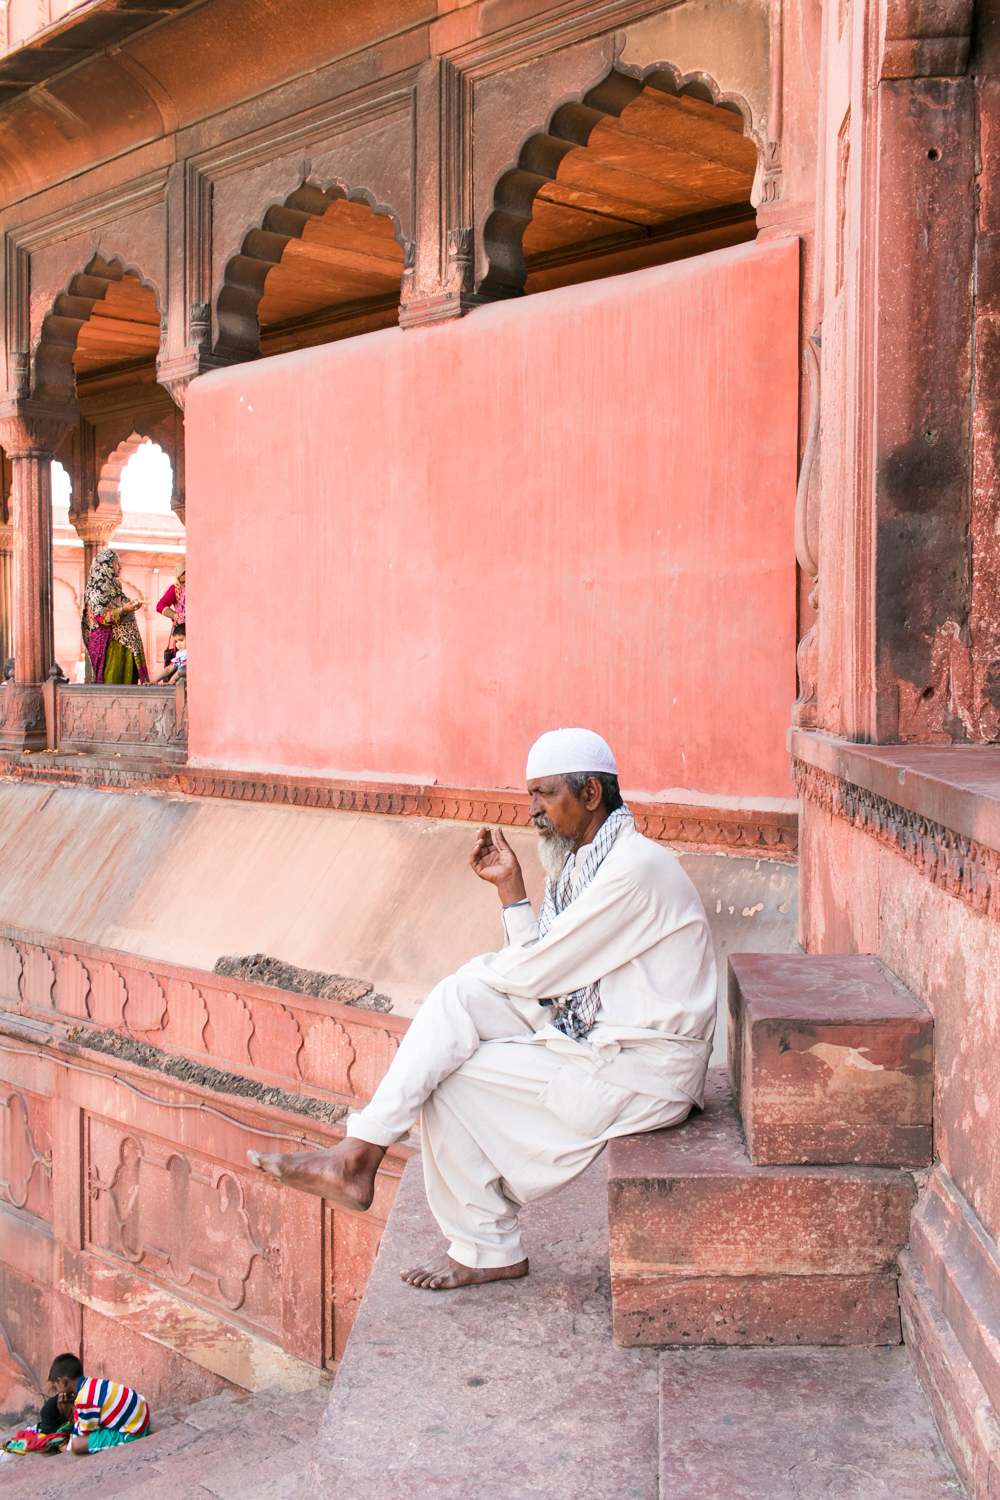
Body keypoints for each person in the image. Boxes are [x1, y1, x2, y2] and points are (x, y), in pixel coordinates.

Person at [250, 727, 716, 1290]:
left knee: (448, 1069)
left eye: (546, 795)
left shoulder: (633, 870)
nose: (533, 812)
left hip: (642, 1069)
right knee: (457, 1002)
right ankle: (361, 1153)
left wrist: (481, 970)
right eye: (531, 797)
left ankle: (476, 1240)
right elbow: (547, 972)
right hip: (596, 1032)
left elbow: (541, 973)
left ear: (591, 794)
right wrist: (512, 893)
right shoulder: (588, 864)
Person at [82, 549, 150, 684]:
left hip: (121, 642)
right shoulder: (100, 587)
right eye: (116, 564)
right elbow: (99, 617)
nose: (120, 568)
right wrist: (124, 608)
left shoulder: (112, 586)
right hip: (111, 641)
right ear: (106, 565)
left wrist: (128, 607)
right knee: (113, 685)